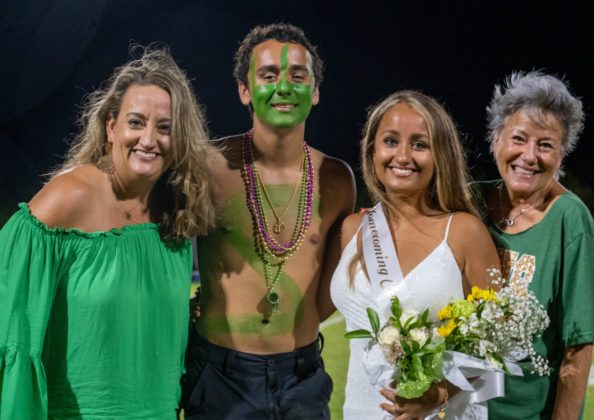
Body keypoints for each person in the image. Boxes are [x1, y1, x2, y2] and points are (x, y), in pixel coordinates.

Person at [0, 46, 216, 419]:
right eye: (136, 122)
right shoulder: (68, 198)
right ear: (111, 127)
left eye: (164, 128)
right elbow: (12, 329)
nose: (149, 140)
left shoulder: (176, 211)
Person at [181, 23, 356, 419]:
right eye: (268, 75)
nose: (284, 86)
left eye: (298, 76)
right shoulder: (210, 166)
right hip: (221, 374)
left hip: (303, 375)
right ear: (245, 89)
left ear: (314, 91)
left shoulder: (337, 178)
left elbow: (329, 287)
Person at [327, 90, 501, 419]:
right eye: (390, 141)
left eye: (420, 145)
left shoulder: (465, 231)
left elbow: (500, 353)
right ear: (372, 150)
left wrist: (439, 394)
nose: (403, 156)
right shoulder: (353, 228)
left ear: (441, 156)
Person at [477, 71, 594, 420]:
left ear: (561, 155)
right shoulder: (470, 201)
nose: (529, 156)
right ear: (496, 140)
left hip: (528, 414)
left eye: (546, 144)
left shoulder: (569, 219)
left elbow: (577, 352)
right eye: (519, 138)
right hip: (459, 410)